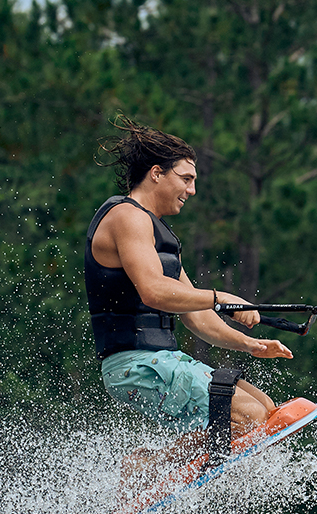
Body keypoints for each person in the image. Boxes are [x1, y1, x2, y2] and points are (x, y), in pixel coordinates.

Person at [86, 117, 293, 469]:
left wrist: (251, 344)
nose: (192, 190)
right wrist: (221, 297)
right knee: (249, 418)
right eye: (186, 179)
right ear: (156, 173)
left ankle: (150, 463)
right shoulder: (126, 216)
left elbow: (196, 315)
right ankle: (145, 468)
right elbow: (153, 292)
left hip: (161, 361)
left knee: (267, 411)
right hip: (134, 365)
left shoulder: (161, 236)